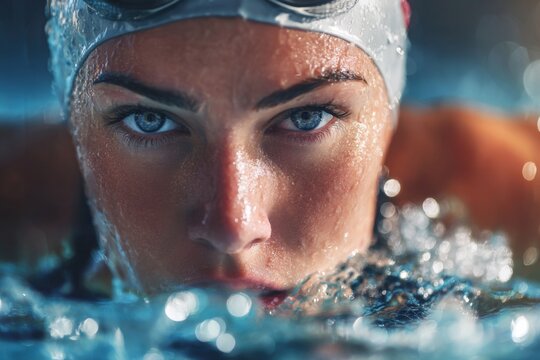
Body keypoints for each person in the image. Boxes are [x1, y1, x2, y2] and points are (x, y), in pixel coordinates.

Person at [43, 0, 408, 298]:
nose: (232, 229)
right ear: (75, 126)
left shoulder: (462, 196)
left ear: (386, 110)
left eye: (306, 118)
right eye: (149, 120)